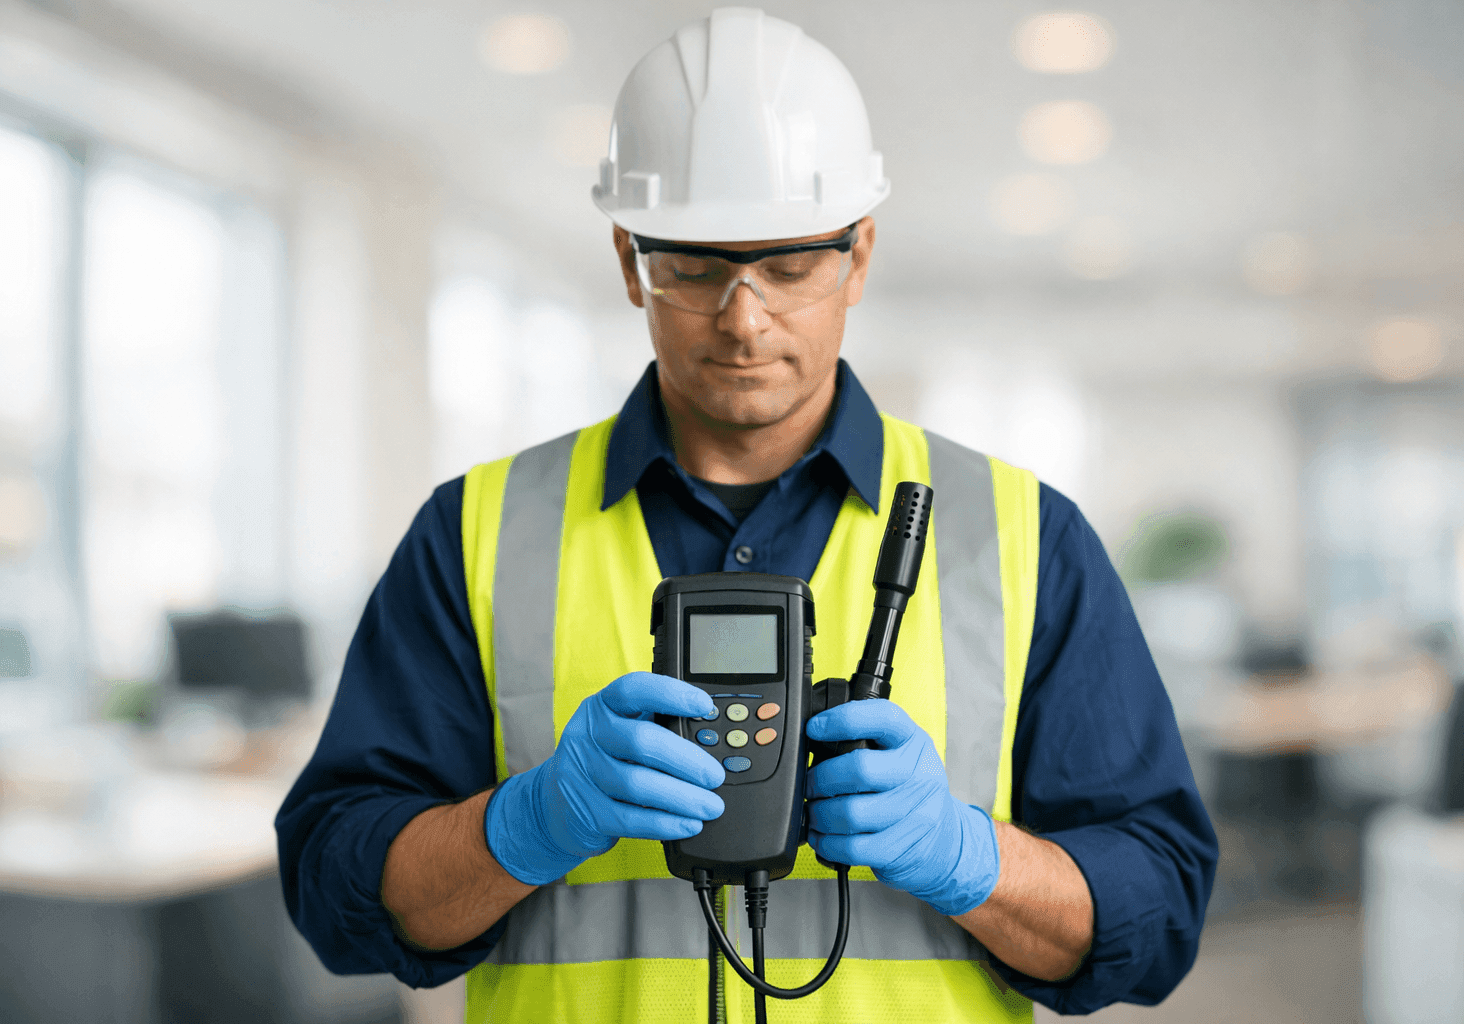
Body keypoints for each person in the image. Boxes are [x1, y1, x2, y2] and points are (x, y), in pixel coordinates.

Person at [277, 8, 1218, 1022]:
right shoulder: (476, 531)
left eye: (789, 265)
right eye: (694, 265)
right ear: (629, 259)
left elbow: (1157, 913)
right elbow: (337, 894)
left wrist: (969, 857)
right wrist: (525, 823)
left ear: (859, 256)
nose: (743, 316)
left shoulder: (1023, 534)